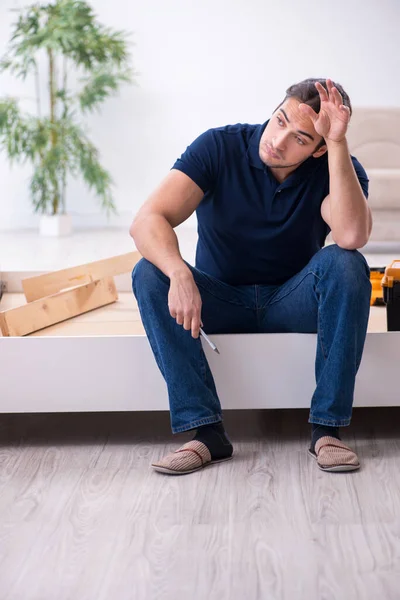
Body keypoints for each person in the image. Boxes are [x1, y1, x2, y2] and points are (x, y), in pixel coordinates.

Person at [130, 78, 372, 475]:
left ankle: (327, 430)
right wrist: (178, 272)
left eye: (299, 138)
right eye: (279, 121)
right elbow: (147, 220)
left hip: (290, 301)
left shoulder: (336, 165)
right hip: (219, 298)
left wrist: (340, 145)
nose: (277, 141)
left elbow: (351, 235)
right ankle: (205, 434)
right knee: (149, 272)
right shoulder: (219, 146)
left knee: (346, 264)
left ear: (319, 148)